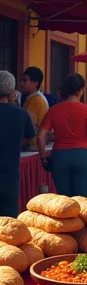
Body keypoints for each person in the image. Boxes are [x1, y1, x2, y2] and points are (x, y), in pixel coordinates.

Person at [37, 73, 87, 197]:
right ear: (80, 90)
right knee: (81, 200)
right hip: (81, 155)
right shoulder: (86, 110)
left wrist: (43, 159)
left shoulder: (53, 110)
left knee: (65, 201)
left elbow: (40, 137)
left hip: (59, 157)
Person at [0, 71, 36, 216]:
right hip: (10, 174)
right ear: (12, 91)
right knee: (8, 220)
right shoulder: (21, 114)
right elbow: (31, 138)